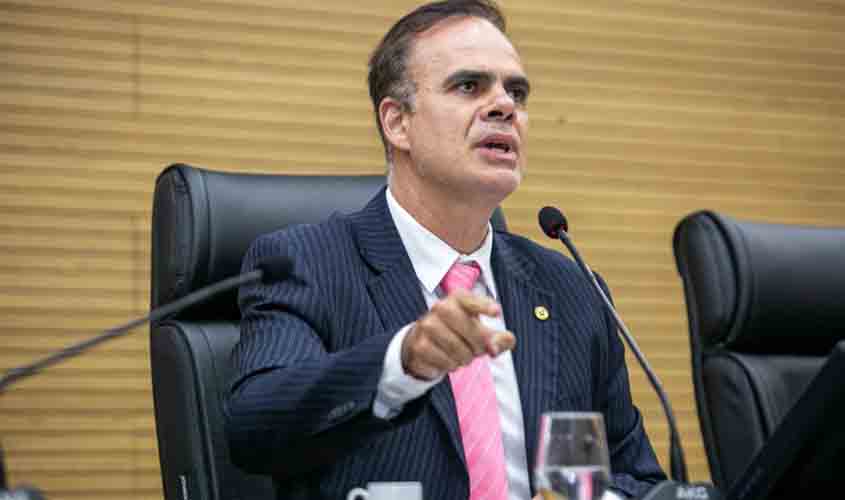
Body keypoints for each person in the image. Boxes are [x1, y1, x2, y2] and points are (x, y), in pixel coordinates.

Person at [226, 1, 665, 499]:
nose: (504, 106)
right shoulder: (306, 263)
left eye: (516, 92)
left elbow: (638, 477)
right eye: (469, 86)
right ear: (397, 123)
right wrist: (402, 362)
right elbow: (253, 428)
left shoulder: (571, 289)